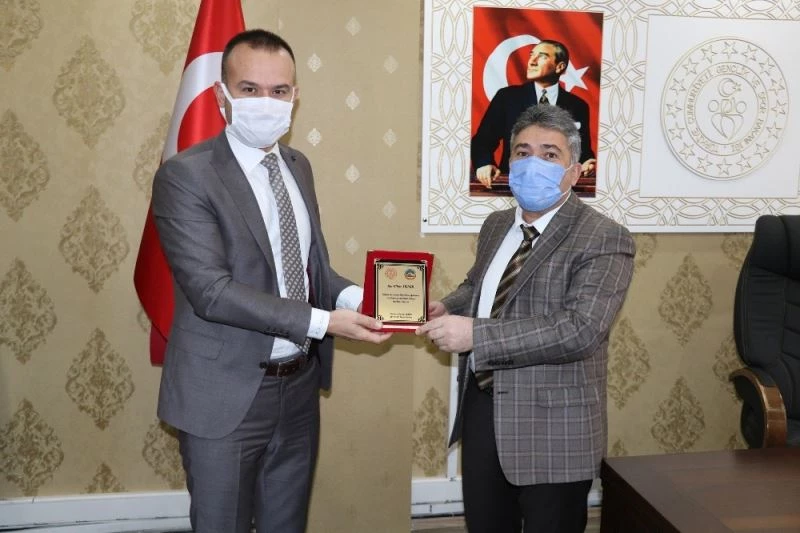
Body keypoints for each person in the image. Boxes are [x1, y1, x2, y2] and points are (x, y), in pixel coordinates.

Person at [151, 29, 391, 533]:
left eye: (279, 91)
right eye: (250, 89)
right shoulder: (186, 176)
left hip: (298, 389)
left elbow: (308, 270)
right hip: (224, 394)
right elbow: (211, 292)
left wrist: (368, 299)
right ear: (221, 96)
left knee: (287, 524)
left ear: (295, 97)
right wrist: (325, 322)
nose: (266, 102)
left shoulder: (298, 167)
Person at [418, 104, 634, 533]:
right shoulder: (497, 224)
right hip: (484, 409)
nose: (533, 163)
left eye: (550, 154)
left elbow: (579, 329)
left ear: (574, 171)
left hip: (554, 425)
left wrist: (476, 335)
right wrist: (449, 305)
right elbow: (480, 286)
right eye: (522, 152)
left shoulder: (605, 237)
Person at [471, 39, 596, 189]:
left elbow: (582, 151)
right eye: (531, 55)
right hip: (512, 186)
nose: (532, 61)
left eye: (542, 56)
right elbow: (483, 141)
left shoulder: (578, 105)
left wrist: (587, 162)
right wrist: (484, 164)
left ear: (560, 67)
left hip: (556, 187)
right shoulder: (507, 98)